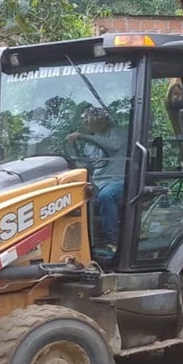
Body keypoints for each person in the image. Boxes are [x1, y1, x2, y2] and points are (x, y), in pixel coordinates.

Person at [67, 106, 127, 259]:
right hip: (98, 182)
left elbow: (113, 146)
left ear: (101, 119)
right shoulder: (90, 142)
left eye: (89, 118)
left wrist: (83, 136)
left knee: (106, 196)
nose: (86, 122)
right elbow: (89, 164)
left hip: (120, 180)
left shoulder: (118, 132)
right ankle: (87, 242)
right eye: (85, 119)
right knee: (76, 197)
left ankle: (111, 242)